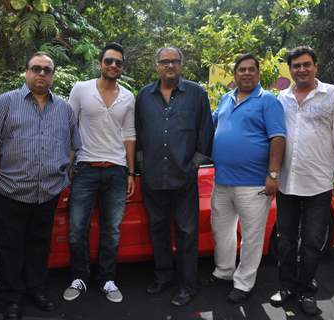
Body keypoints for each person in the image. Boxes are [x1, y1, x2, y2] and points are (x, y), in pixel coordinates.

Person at [0, 51, 80, 320]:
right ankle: (11, 299)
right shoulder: (5, 103)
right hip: (11, 189)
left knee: (40, 245)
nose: (41, 74)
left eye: (47, 70)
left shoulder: (64, 109)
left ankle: (37, 290)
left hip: (47, 192)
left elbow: (73, 146)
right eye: (36, 68)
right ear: (26, 72)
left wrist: (64, 175)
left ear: (53, 75)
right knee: (10, 247)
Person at [269, 46, 334, 316]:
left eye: (307, 64)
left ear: (315, 66)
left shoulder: (332, 95)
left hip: (318, 184)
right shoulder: (280, 98)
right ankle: (286, 288)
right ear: (291, 70)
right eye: (296, 66)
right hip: (287, 184)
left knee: (311, 242)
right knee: (284, 241)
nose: (302, 69)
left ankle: (307, 291)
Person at [135, 46, 214, 307]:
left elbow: (205, 132)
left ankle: (188, 285)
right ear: (156, 65)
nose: (170, 66)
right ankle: (163, 277)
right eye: (165, 61)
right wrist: (141, 164)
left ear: (181, 64)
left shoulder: (196, 93)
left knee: (186, 232)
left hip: (184, 178)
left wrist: (194, 164)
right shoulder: (144, 96)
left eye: (175, 61)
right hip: (153, 178)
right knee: (157, 230)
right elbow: (137, 132)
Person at [209, 54, 286, 303]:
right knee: (222, 231)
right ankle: (224, 272)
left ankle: (243, 283)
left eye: (251, 70)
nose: (246, 73)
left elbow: (278, 138)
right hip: (222, 181)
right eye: (241, 70)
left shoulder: (268, 101)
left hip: (254, 183)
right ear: (235, 75)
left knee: (252, 236)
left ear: (258, 74)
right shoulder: (224, 99)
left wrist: (273, 174)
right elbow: (211, 127)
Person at [62, 43, 135, 303]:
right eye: (109, 61)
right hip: (85, 169)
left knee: (111, 230)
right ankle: (79, 277)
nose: (113, 65)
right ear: (100, 63)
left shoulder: (128, 96)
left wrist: (130, 172)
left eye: (118, 62)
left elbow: (129, 135)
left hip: (116, 171)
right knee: (77, 228)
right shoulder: (81, 89)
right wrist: (68, 164)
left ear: (121, 67)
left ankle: (107, 279)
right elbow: (70, 127)